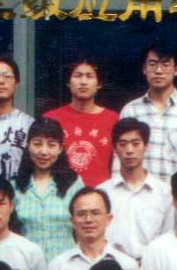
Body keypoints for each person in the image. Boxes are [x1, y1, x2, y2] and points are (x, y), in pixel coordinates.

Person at [119, 40, 177, 180]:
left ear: (176, 69)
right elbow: (119, 162)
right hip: (138, 192)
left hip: (176, 193)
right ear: (144, 69)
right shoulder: (130, 111)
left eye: (165, 64)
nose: (158, 71)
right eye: (152, 64)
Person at [97, 118, 176, 262]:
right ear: (115, 149)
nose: (129, 150)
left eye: (136, 144)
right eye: (123, 144)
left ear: (146, 147)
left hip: (151, 265)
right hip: (112, 266)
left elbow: (168, 237)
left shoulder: (163, 192)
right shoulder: (102, 192)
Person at [13, 117, 85, 263]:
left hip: (66, 266)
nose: (44, 151)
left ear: (60, 148)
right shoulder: (15, 186)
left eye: (51, 145)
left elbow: (83, 230)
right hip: (28, 265)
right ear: (28, 145)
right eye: (37, 144)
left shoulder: (73, 183)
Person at [44, 58, 120, 187]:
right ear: (68, 82)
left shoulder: (113, 119)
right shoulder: (51, 118)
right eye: (78, 76)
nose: (83, 82)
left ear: (99, 84)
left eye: (89, 76)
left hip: (100, 194)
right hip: (61, 192)